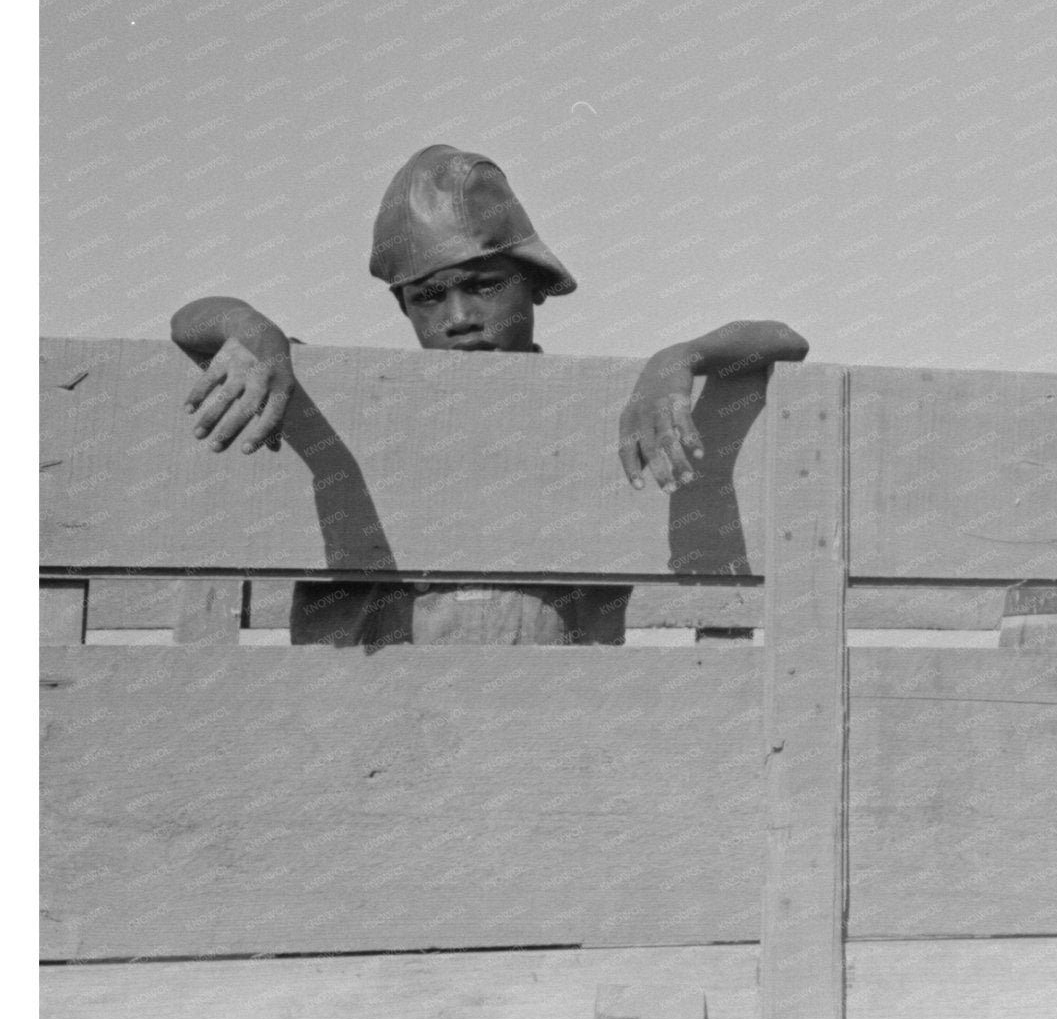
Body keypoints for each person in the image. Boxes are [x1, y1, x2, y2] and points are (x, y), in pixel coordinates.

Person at [170, 143, 808, 644]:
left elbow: (786, 340)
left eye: (483, 286)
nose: (458, 318)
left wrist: (682, 357)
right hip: (370, 723)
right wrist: (254, 331)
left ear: (533, 285)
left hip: (547, 719)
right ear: (403, 307)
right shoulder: (353, 402)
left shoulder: (604, 408)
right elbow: (190, 320)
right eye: (428, 297)